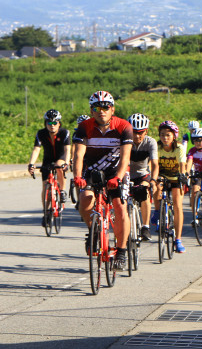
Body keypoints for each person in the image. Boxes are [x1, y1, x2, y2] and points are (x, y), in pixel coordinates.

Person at [72, 90, 133, 270]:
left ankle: (121, 252)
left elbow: (125, 157)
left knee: (120, 208)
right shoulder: (84, 126)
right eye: (97, 107)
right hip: (93, 171)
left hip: (116, 171)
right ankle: (94, 230)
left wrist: (118, 177)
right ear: (92, 111)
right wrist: (77, 176)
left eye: (105, 107)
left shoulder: (124, 126)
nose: (102, 111)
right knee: (84, 200)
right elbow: (79, 155)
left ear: (112, 109)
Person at [27, 109, 71, 227]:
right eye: (49, 123)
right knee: (45, 184)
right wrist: (31, 163)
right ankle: (46, 212)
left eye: (55, 123)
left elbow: (67, 150)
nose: (52, 126)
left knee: (59, 165)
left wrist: (66, 163)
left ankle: (62, 191)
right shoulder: (41, 133)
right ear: (45, 124)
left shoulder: (64, 133)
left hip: (60, 157)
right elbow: (36, 149)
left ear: (59, 123)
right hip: (47, 159)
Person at [155, 120, 188, 253]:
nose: (165, 138)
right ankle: (157, 212)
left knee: (177, 205)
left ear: (174, 136)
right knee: (156, 187)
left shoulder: (179, 148)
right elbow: (155, 165)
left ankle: (178, 239)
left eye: (168, 135)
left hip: (175, 178)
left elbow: (182, 165)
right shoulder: (157, 147)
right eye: (162, 135)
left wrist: (183, 175)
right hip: (162, 176)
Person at [127, 113, 159, 242]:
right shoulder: (124, 141)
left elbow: (155, 164)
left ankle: (145, 227)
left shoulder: (150, 142)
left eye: (140, 132)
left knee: (144, 192)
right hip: (127, 174)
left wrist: (153, 181)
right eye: (134, 132)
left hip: (142, 175)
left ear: (146, 131)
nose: (137, 136)